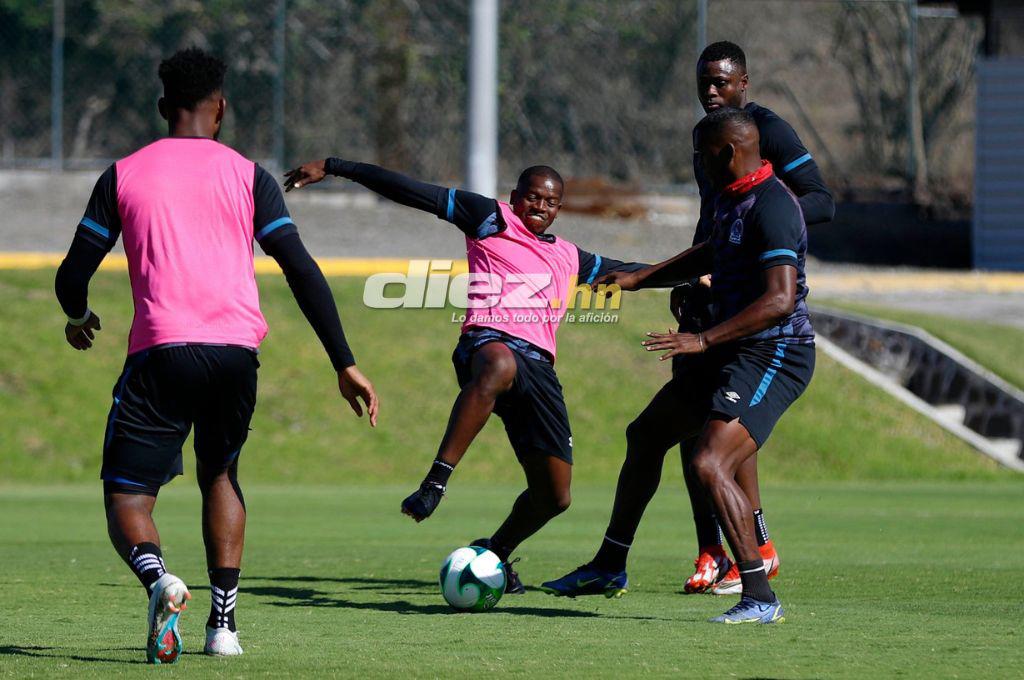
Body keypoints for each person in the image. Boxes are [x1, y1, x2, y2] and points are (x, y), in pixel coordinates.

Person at [54, 48, 378, 664]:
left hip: (161, 352)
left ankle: (159, 581)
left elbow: (73, 275)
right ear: (221, 109)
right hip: (235, 355)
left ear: (161, 107)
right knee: (221, 475)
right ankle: (222, 626)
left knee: (127, 497)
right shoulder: (249, 175)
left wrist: (78, 316)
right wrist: (344, 361)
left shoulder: (122, 174)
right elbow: (302, 271)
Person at [283, 157, 644, 593]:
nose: (540, 206)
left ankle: (493, 553)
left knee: (555, 496)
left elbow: (634, 274)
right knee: (501, 362)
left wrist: (696, 276)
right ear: (515, 198)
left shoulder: (569, 256)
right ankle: (436, 481)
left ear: (559, 209)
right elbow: (411, 189)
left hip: (539, 370)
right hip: (485, 345)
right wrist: (336, 167)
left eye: (550, 201)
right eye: (532, 197)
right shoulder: (490, 217)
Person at [543, 107, 815, 624]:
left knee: (709, 463)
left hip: (775, 353)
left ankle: (760, 595)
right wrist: (640, 278)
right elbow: (711, 253)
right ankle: (609, 565)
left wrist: (703, 338)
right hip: (730, 350)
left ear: (728, 152)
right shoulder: (734, 199)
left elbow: (780, 300)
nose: (699, 165)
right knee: (645, 435)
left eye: (703, 155)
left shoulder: (775, 205)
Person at [673, 40, 834, 595]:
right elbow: (714, 219)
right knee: (696, 429)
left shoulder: (765, 132)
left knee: (712, 439)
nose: (712, 92)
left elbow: (820, 200)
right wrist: (687, 277)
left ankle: (754, 555)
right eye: (704, 82)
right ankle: (712, 551)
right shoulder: (708, 141)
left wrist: (763, 226)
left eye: (722, 82)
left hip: (756, 306)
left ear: (744, 83)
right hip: (712, 290)